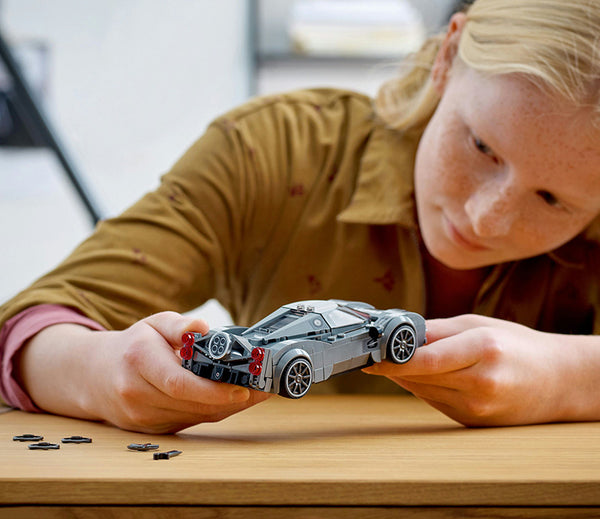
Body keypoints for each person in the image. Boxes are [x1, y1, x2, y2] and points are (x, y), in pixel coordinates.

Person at [1, 0, 600, 433]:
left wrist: (572, 375)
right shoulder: (271, 153)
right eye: (481, 147)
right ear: (447, 57)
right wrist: (100, 372)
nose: (486, 219)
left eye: (554, 200)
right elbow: (26, 327)